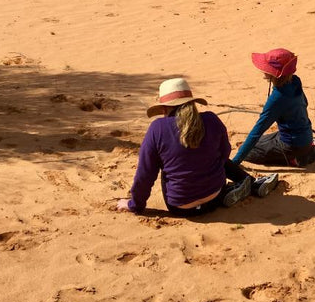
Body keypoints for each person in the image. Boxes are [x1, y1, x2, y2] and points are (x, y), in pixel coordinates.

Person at [117, 78, 278, 216]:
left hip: (180, 208)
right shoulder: (211, 119)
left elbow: (145, 174)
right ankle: (249, 183)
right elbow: (224, 155)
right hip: (215, 198)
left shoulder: (157, 128)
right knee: (213, 157)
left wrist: (134, 205)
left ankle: (241, 186)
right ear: (193, 103)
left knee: (166, 166)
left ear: (164, 108)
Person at [231, 48, 315, 167]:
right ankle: (307, 149)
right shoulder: (296, 81)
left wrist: (234, 163)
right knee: (258, 143)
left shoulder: (278, 98)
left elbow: (258, 130)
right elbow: (305, 103)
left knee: (249, 153)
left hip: (292, 145)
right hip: (305, 136)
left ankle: (295, 160)